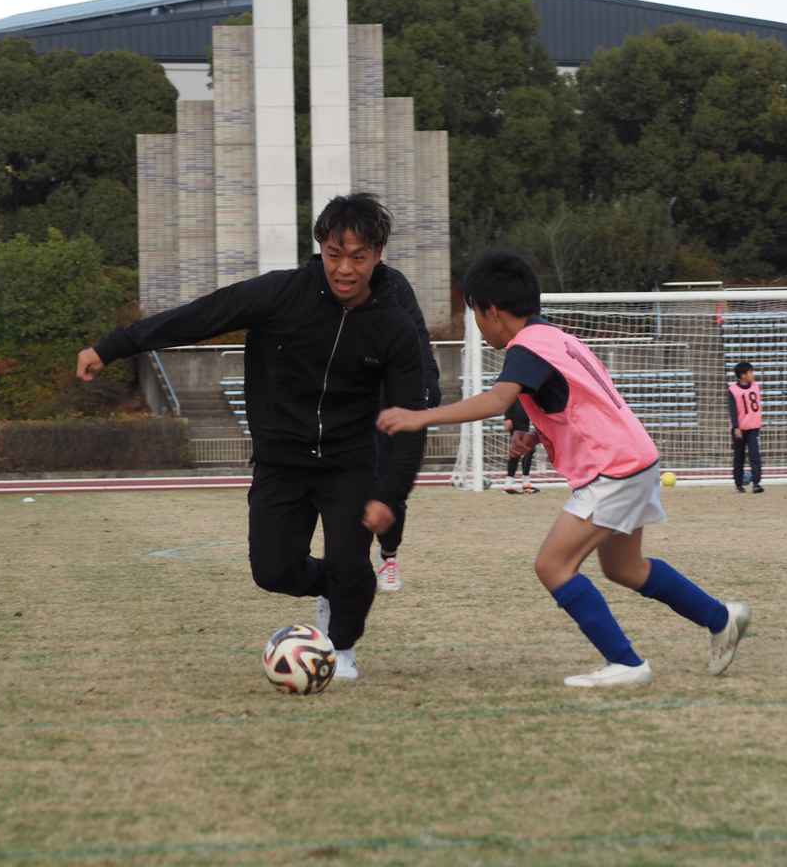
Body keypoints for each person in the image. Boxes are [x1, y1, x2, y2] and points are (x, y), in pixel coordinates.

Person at [76, 193, 426, 680]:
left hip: (350, 461)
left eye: (358, 257)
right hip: (281, 458)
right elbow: (200, 316)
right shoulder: (281, 294)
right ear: (320, 248)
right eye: (333, 255)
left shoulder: (395, 326)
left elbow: (410, 415)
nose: (344, 269)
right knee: (273, 570)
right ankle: (338, 586)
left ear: (379, 254)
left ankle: (341, 646)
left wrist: (391, 494)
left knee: (351, 557)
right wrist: (112, 346)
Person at [379, 251, 750, 688]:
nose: (477, 326)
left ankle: (626, 663)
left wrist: (420, 417)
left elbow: (497, 401)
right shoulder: (557, 337)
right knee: (626, 569)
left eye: (475, 315)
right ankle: (719, 616)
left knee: (552, 566)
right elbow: (579, 401)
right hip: (635, 458)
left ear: (491, 311)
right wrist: (536, 435)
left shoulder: (525, 347)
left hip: (613, 469)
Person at [372, 276, 442, 593]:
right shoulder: (320, 287)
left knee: (391, 484)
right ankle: (349, 559)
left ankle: (389, 557)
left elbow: (418, 336)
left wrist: (428, 387)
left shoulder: (394, 285)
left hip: (395, 398)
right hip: (349, 400)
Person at [728, 361, 764, 494]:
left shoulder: (755, 386)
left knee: (755, 455)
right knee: (739, 456)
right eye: (750, 372)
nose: (752, 374)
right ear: (743, 375)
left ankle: (756, 483)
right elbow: (732, 410)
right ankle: (738, 484)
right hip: (739, 429)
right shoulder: (733, 390)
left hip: (754, 427)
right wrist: (736, 427)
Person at [502, 397, 539, 494]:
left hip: (528, 421)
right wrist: (507, 417)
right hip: (517, 422)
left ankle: (525, 483)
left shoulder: (530, 393)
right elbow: (508, 399)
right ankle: (508, 484)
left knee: (530, 451)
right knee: (517, 451)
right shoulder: (515, 392)